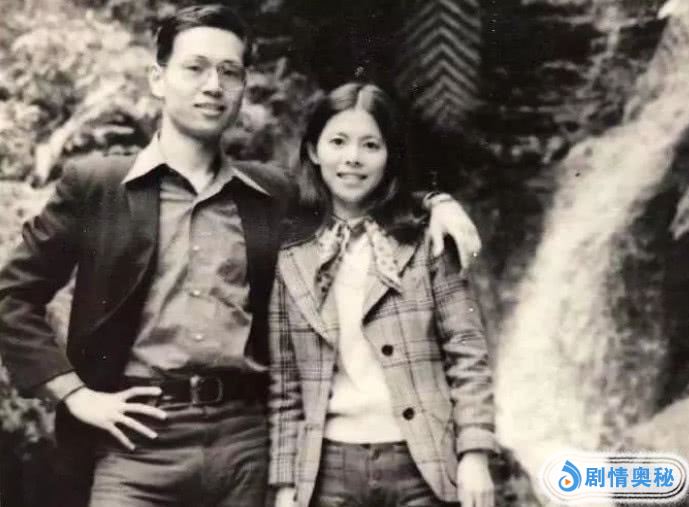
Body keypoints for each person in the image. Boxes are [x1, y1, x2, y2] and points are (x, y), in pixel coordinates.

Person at [0, 5, 482, 507]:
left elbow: (356, 190)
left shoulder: (270, 193)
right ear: (158, 79)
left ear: (242, 87)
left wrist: (435, 203)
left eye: (229, 71)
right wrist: (74, 394)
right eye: (195, 67)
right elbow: (13, 295)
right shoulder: (96, 186)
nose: (213, 85)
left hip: (246, 444)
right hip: (133, 443)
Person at [268, 82, 496, 507]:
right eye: (338, 142)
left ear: (389, 156)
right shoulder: (291, 255)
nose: (353, 158)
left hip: (423, 465)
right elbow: (286, 387)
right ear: (314, 151)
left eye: (370, 145)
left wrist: (475, 454)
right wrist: (284, 486)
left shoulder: (428, 238)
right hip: (327, 471)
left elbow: (467, 351)